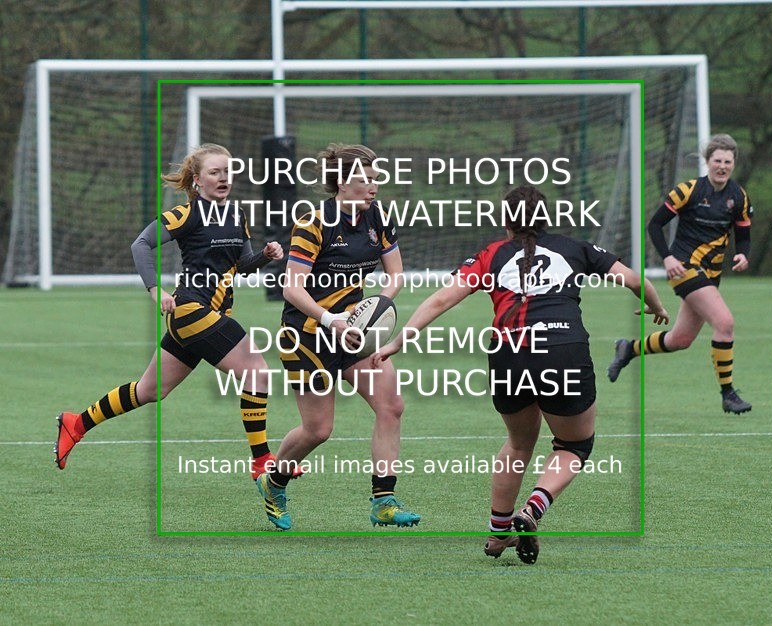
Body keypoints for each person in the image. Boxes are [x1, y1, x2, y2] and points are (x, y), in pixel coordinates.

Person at [371, 185, 669, 564]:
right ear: (545, 218)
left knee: (518, 443)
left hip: (509, 354)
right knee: (574, 445)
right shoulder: (575, 247)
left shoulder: (492, 254)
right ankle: (533, 508)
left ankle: (497, 533)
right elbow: (635, 280)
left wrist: (400, 340)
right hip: (563, 351)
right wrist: (656, 307)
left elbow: (442, 298)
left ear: (506, 223)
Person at [54, 143, 293, 512]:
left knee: (150, 390)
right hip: (191, 311)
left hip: (206, 316)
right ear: (197, 181)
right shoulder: (187, 215)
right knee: (257, 372)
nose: (223, 178)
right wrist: (155, 290)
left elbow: (241, 264)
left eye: (227, 172)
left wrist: (265, 256)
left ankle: (77, 423)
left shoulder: (237, 214)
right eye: (214, 172)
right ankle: (262, 460)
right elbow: (141, 244)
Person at [257, 143, 420, 531]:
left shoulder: (378, 217)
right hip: (308, 335)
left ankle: (384, 500)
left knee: (391, 405)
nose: (374, 186)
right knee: (318, 430)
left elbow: (395, 276)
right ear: (342, 183)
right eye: (365, 179)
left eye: (376, 178)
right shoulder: (313, 223)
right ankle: (273, 481)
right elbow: (293, 290)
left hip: (355, 333)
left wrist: (374, 310)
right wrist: (334, 320)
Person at [607, 133, 753, 415]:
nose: (722, 166)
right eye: (717, 160)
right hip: (684, 267)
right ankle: (728, 394)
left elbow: (744, 235)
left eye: (727, 161)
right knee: (724, 322)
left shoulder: (739, 196)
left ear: (733, 164)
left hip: (710, 274)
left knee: (680, 340)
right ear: (707, 162)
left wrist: (743, 254)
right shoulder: (688, 191)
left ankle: (628, 349)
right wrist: (668, 257)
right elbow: (654, 225)